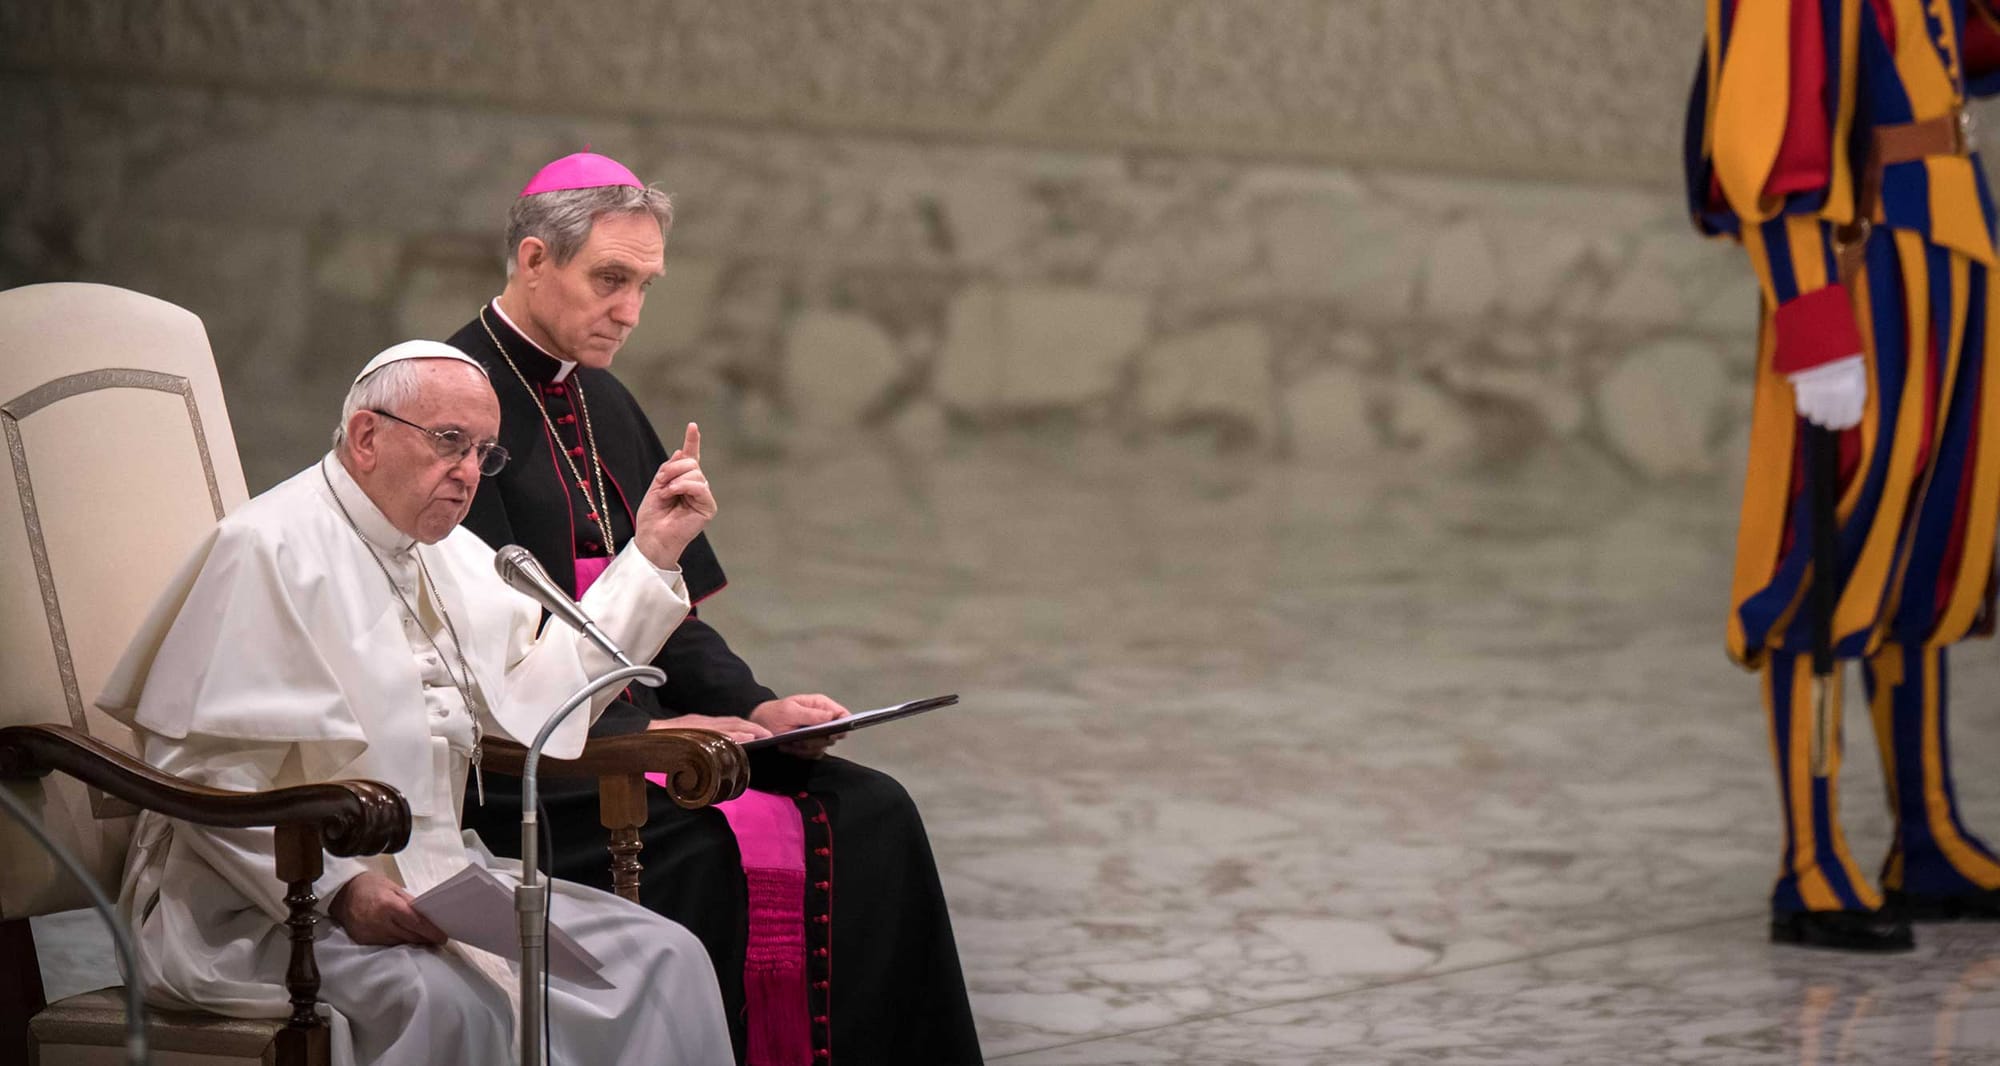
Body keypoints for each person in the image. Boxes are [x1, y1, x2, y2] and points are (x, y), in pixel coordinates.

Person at [450, 151, 982, 1064]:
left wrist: (758, 710)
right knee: (710, 849)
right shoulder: (452, 402)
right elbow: (478, 644)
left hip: (649, 730)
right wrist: (649, 732)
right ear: (534, 260)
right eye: (610, 280)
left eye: (646, 285)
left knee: (876, 812)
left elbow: (676, 615)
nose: (631, 312)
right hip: (537, 765)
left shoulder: (606, 401)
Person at [98, 340, 734, 1066]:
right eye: (449, 443)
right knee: (456, 1007)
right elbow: (204, 778)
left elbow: (542, 700)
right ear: (367, 437)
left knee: (665, 958)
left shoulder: (449, 552)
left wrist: (650, 553)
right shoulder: (267, 548)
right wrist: (342, 891)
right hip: (268, 908)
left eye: (483, 454)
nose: (467, 474)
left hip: (438, 884)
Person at [1686, 0, 2000, 951]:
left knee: (1920, 548)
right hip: (1859, 265)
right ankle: (1811, 862)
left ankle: (1928, 836)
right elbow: (1765, 144)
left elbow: (1963, 58)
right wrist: (1815, 325)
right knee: (1827, 550)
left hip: (1950, 243)